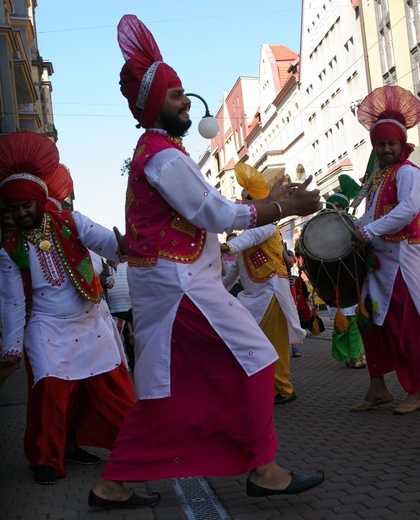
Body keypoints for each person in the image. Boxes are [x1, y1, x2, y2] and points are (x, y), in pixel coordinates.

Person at [88, 15, 324, 509]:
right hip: (183, 289)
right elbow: (215, 213)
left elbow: (205, 220)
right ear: (156, 104)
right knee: (258, 362)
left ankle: (113, 484)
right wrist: (284, 206)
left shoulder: (157, 154)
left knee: (164, 393)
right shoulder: (165, 157)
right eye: (175, 96)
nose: (185, 102)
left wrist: (271, 204)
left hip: (179, 287)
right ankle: (265, 470)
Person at [0, 132, 138, 488]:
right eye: (14, 210)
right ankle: (46, 458)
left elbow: (106, 243)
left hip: (90, 321)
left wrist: (121, 245)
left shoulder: (71, 221)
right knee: (49, 391)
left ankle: (132, 448)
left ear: (37, 201)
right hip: (46, 327)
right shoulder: (9, 248)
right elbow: (13, 302)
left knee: (111, 390)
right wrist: (11, 349)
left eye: (25, 206)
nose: (21, 214)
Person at [350, 85, 420, 414]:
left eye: (392, 143)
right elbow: (370, 213)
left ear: (402, 145)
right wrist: (349, 226)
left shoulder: (407, 172)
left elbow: (407, 209)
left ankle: (416, 391)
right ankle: (378, 388)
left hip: (402, 264)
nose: (387, 149)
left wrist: (368, 230)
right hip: (377, 266)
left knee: (406, 330)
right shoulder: (379, 178)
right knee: (370, 326)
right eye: (381, 144)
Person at [221, 163, 305, 406]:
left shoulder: (268, 225)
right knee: (254, 343)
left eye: (249, 204)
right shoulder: (245, 242)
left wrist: (227, 246)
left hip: (271, 293)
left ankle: (283, 389)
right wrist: (213, 293)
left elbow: (250, 238)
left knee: (274, 344)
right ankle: (261, 386)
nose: (247, 210)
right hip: (252, 298)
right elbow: (231, 275)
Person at [325, 176, 366, 369]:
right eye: (329, 206)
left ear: (343, 207)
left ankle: (356, 356)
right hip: (335, 281)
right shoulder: (321, 227)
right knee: (344, 323)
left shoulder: (352, 224)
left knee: (355, 323)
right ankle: (351, 356)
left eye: (335, 206)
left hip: (353, 279)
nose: (330, 210)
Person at [106, 260, 135, 372]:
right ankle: (119, 369)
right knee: (116, 343)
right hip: (112, 311)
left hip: (130, 310)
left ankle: (134, 368)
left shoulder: (128, 264)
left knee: (132, 343)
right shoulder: (103, 266)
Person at [281, 236, 302, 357]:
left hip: (289, 288)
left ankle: (295, 346)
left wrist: (282, 251)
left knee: (292, 315)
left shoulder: (288, 253)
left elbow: (290, 263)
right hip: (276, 289)